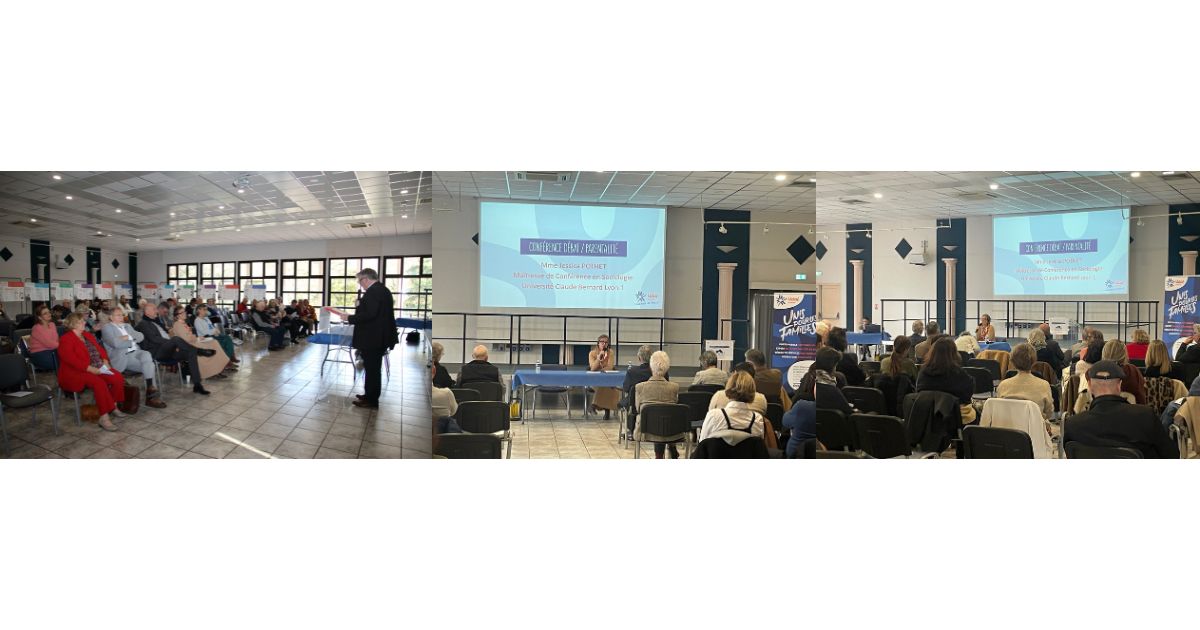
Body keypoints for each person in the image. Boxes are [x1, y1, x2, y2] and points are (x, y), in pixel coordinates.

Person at [1064, 360, 1179, 458]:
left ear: (1089, 385)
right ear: (1119, 385)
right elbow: (1172, 455)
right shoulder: (1145, 416)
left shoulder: (1073, 425)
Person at [325, 268, 398, 409]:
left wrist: (349, 318)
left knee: (372, 370)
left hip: (373, 338)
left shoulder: (373, 292)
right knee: (371, 369)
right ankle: (369, 395)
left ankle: (371, 400)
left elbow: (370, 314)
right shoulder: (382, 289)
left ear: (366, 279)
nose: (360, 283)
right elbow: (372, 312)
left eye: (360, 280)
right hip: (377, 336)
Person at [57, 312, 126, 431]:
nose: (84, 323)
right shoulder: (65, 339)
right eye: (81, 322)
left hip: (95, 366)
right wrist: (90, 369)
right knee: (99, 383)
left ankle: (113, 406)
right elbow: (71, 360)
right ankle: (104, 418)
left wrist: (105, 360)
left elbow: (100, 349)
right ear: (73, 324)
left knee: (117, 377)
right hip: (75, 372)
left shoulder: (87, 335)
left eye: (83, 321)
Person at [135, 301, 212, 396]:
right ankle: (199, 351)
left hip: (168, 349)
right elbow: (154, 339)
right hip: (157, 352)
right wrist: (172, 343)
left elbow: (167, 333)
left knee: (191, 352)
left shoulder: (157, 321)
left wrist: (173, 344)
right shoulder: (143, 324)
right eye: (154, 309)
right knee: (175, 339)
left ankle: (197, 385)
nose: (157, 311)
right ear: (147, 312)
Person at [100, 307, 167, 409]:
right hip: (123, 357)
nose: (121, 317)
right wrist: (131, 338)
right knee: (150, 365)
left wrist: (125, 337)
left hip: (136, 352)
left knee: (146, 355)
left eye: (122, 315)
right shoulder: (107, 328)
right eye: (118, 315)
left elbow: (141, 337)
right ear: (111, 317)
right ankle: (151, 397)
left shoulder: (127, 326)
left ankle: (150, 391)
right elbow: (115, 343)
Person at [634, 351, 683, 459]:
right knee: (664, 415)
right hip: (671, 431)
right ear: (667, 368)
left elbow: (638, 408)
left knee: (656, 418)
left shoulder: (640, 387)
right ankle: (670, 448)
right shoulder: (674, 387)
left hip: (646, 430)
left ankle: (659, 456)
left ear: (651, 367)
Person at [698, 370, 768, 444]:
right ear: (753, 391)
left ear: (728, 387)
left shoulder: (714, 415)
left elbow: (702, 444)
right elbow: (758, 448)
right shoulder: (757, 419)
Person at [916, 337, 976, 423]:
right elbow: (967, 396)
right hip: (956, 420)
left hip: (927, 418)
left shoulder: (923, 373)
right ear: (954, 353)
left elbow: (919, 393)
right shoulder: (960, 374)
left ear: (933, 353)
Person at [171, 305, 231, 381]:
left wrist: (197, 338)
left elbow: (189, 336)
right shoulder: (178, 325)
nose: (185, 313)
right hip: (188, 345)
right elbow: (186, 339)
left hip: (192, 342)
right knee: (210, 346)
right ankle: (210, 372)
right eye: (182, 312)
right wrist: (197, 338)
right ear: (178, 315)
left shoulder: (183, 323)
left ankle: (217, 370)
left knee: (214, 342)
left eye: (184, 311)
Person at [996, 343, 1054, 420]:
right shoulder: (1044, 385)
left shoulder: (1003, 385)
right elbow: (1049, 413)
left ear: (1012, 361)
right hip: (1034, 425)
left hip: (1008, 425)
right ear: (1034, 361)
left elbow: (1000, 410)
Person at [1101, 339, 1147, 404]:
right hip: (1130, 409)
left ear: (1104, 353)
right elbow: (1141, 398)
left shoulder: (1096, 372)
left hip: (1102, 409)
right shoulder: (1132, 371)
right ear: (1124, 354)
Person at [587, 334, 619, 419]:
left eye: (606, 342)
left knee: (607, 384)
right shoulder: (592, 353)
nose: (604, 344)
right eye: (602, 342)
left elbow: (610, 366)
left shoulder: (610, 352)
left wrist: (601, 369)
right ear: (598, 343)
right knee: (608, 385)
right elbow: (593, 368)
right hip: (595, 379)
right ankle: (607, 410)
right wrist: (598, 358)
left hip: (606, 377)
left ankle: (594, 405)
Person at [25, 305, 60, 371]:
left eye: (49, 312)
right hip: (39, 354)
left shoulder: (52, 324)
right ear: (40, 317)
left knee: (68, 358)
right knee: (63, 361)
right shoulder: (37, 328)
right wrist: (63, 346)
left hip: (52, 350)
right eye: (45, 313)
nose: (49, 314)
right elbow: (49, 344)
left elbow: (56, 340)